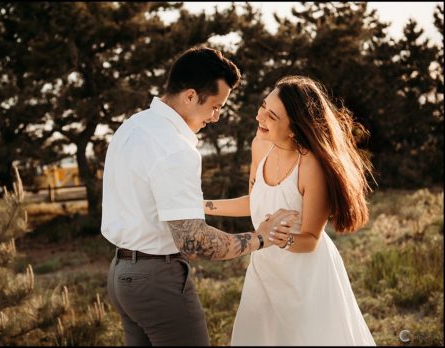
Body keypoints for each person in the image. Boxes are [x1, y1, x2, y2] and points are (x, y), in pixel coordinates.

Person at [100, 47, 301, 346]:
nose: (216, 117)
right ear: (191, 96)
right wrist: (261, 238)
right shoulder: (175, 148)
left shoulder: (132, 126)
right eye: (216, 106)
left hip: (121, 275)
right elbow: (194, 242)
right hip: (157, 283)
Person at [204, 75, 376, 345]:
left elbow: (310, 239)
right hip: (263, 267)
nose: (260, 117)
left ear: (294, 128)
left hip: (306, 277)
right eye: (263, 106)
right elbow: (256, 201)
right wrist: (203, 206)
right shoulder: (260, 145)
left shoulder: (312, 167)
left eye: (272, 116)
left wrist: (278, 238)